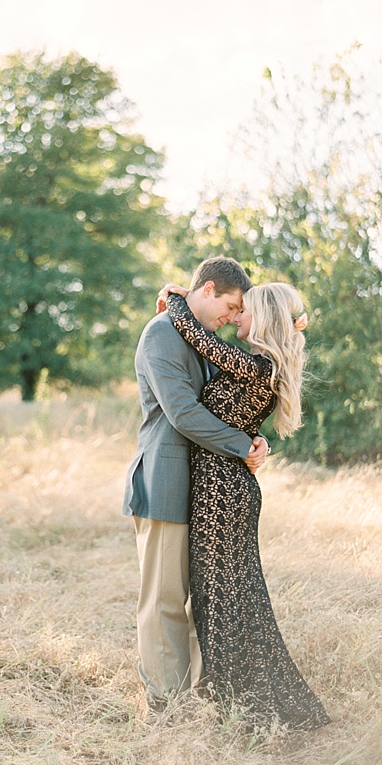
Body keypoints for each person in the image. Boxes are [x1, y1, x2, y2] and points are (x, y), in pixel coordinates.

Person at [155, 279, 330, 730]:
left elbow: (196, 334)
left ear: (264, 318)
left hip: (222, 491)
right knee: (233, 600)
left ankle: (244, 711)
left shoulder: (255, 363)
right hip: (226, 487)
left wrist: (175, 298)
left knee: (223, 603)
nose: (236, 317)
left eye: (243, 311)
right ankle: (246, 704)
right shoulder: (259, 365)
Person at [123, 256, 268, 713]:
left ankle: (193, 697)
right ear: (206, 290)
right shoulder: (162, 332)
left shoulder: (200, 340)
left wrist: (255, 436)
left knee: (197, 598)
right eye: (229, 305)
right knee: (164, 599)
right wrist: (240, 443)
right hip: (164, 480)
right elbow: (183, 413)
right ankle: (166, 705)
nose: (233, 316)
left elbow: (223, 405)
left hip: (202, 487)